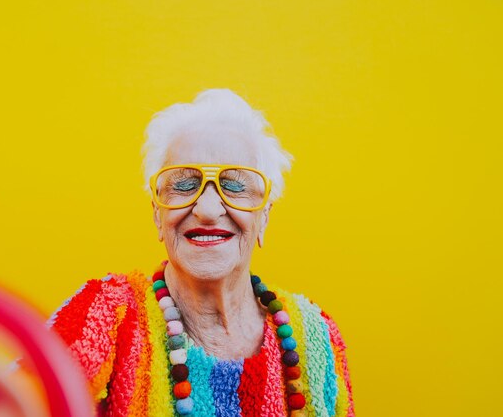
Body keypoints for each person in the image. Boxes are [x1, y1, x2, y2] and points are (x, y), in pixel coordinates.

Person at [49, 89, 355, 416]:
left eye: (236, 185)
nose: (208, 209)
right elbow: (19, 396)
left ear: (263, 215)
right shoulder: (109, 313)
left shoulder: (315, 336)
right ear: (157, 213)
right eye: (184, 184)